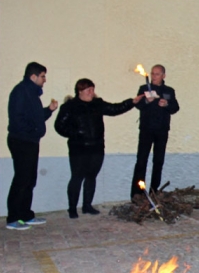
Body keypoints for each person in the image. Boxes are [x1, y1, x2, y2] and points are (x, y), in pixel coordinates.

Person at [55, 79, 143, 219]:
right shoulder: (70, 106)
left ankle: (87, 206)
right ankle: (72, 208)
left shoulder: (97, 104)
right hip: (78, 148)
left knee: (91, 177)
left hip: (97, 147)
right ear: (80, 91)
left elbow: (115, 109)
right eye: (88, 90)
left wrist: (132, 102)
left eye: (92, 89)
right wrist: (75, 133)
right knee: (77, 177)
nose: (92, 92)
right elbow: (59, 126)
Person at [5, 62, 59, 230]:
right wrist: (33, 132)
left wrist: (49, 110)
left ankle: (25, 215)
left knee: (29, 179)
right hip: (22, 141)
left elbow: (34, 117)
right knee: (21, 179)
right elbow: (18, 119)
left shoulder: (32, 93)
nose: (45, 80)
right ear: (33, 76)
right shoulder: (21, 92)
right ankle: (13, 219)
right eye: (43, 76)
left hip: (30, 141)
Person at [130, 64, 180, 199]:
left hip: (162, 130)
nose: (154, 76)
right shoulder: (144, 88)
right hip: (146, 129)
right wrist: (146, 101)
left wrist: (166, 105)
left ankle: (153, 191)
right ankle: (137, 192)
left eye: (157, 74)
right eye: (152, 73)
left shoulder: (169, 90)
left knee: (158, 161)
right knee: (141, 161)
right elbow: (137, 105)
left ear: (163, 76)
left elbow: (175, 108)